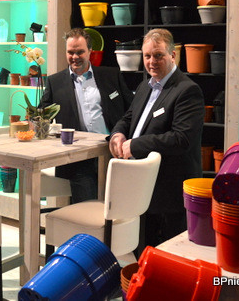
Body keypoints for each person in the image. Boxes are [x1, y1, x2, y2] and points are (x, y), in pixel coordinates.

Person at [109, 28, 204, 249]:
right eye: (147, 56)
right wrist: (118, 133)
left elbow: (181, 139)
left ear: (173, 55)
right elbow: (129, 117)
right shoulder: (146, 85)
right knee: (143, 248)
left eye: (158, 55)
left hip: (169, 191)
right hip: (141, 185)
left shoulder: (188, 90)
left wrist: (136, 145)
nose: (152, 61)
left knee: (170, 254)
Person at [40, 28, 133, 203]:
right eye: (70, 52)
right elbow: (41, 116)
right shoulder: (55, 82)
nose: (75, 57)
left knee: (118, 204)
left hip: (113, 152)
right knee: (87, 208)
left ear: (90, 51)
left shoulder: (111, 75)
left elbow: (132, 109)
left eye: (80, 52)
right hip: (79, 160)